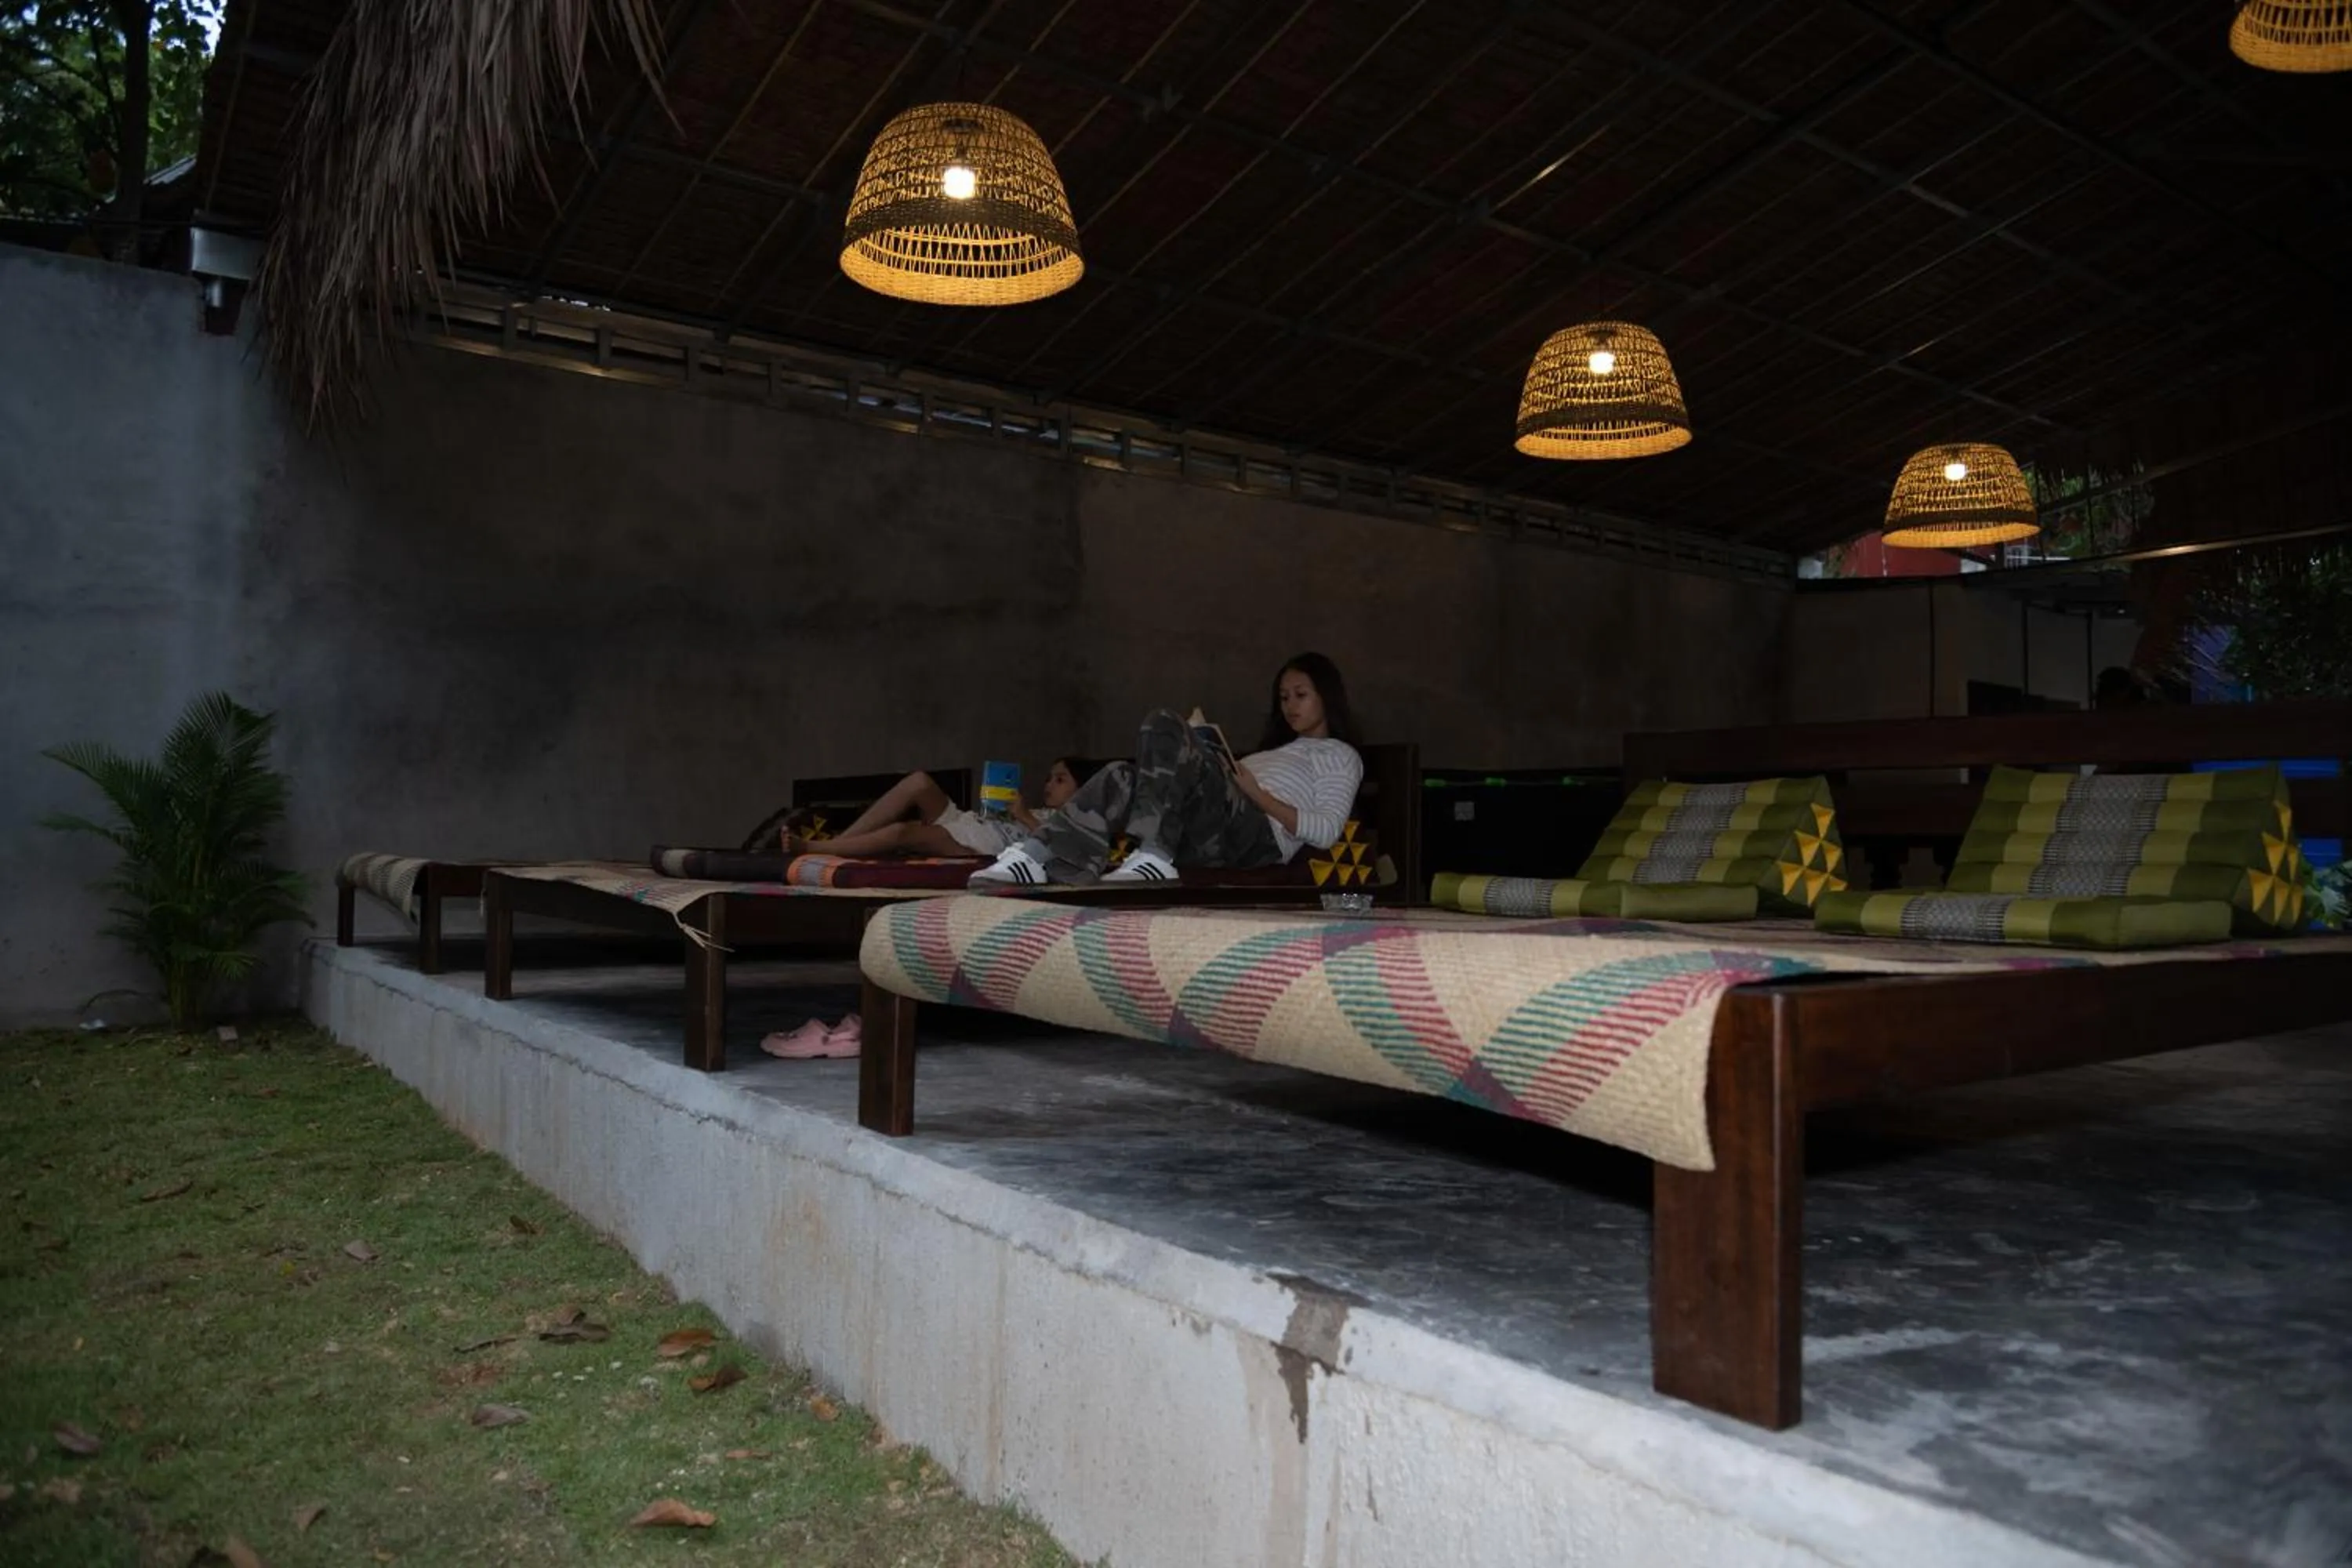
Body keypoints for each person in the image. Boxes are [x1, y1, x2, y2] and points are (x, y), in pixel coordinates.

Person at [970, 653, 1364, 887]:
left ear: (1326, 696)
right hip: (1207, 829)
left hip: (1257, 837)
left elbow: (1327, 831)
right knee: (1121, 775)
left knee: (1163, 721)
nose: (1290, 705)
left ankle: (1155, 855)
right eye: (1284, 697)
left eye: (1300, 695)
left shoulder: (1340, 755)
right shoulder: (1271, 753)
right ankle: (1038, 857)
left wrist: (1256, 795)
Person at [782, 757, 1105, 861]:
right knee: (919, 782)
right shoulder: (1042, 811)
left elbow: (1069, 853)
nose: (1049, 785)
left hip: (978, 845)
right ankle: (838, 845)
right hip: (973, 823)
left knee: (904, 832)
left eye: (1060, 780)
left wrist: (1024, 816)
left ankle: (811, 849)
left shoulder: (1081, 822)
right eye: (1049, 778)